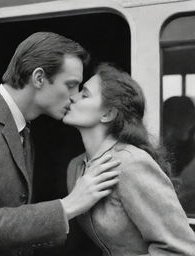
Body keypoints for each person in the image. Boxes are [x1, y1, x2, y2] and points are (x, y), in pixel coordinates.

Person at [0, 33, 120, 256]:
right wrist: (68, 206)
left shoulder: (23, 128)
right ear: (39, 78)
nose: (75, 97)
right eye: (71, 85)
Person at [64, 63, 195, 256]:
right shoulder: (75, 167)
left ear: (107, 114)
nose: (72, 97)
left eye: (84, 94)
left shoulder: (132, 163)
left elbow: (182, 250)